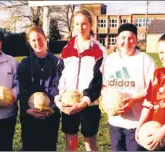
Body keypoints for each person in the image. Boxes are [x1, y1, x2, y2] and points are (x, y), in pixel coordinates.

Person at [54, 10, 107, 151]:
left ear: (90, 24)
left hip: (89, 105)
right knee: (70, 145)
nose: (81, 27)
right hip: (68, 105)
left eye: (84, 23)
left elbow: (98, 80)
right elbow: (60, 77)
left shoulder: (99, 50)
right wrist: (59, 99)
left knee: (90, 144)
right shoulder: (66, 49)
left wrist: (84, 102)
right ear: (73, 25)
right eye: (77, 24)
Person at [101, 23, 157, 151]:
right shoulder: (110, 60)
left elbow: (153, 88)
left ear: (136, 40)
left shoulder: (145, 60)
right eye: (123, 38)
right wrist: (109, 100)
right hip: (115, 121)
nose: (127, 41)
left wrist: (133, 100)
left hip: (137, 122)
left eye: (131, 38)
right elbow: (104, 85)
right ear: (117, 40)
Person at [17, 26, 60, 151]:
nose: (37, 43)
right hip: (30, 116)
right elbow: (22, 88)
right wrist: (27, 109)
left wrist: (50, 107)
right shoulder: (25, 63)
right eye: (33, 40)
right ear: (29, 43)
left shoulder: (56, 62)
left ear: (45, 38)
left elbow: (57, 86)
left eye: (39, 39)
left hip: (50, 115)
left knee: (49, 147)